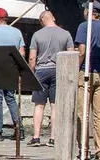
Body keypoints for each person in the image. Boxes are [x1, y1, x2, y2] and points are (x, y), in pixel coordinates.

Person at [75, 0, 100, 160]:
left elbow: (82, 51)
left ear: (88, 11)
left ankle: (84, 150)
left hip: (86, 73)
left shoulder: (84, 27)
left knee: (82, 113)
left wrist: (76, 68)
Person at [27, 10, 74, 147]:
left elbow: (32, 57)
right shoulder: (65, 34)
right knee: (55, 105)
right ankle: (53, 138)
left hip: (41, 71)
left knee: (39, 105)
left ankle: (36, 138)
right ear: (53, 17)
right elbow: (70, 54)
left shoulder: (37, 35)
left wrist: (32, 71)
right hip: (58, 71)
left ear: (42, 20)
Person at [0, 7, 26, 140]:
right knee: (11, 98)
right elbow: (22, 53)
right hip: (12, 69)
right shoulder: (17, 32)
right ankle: (19, 129)